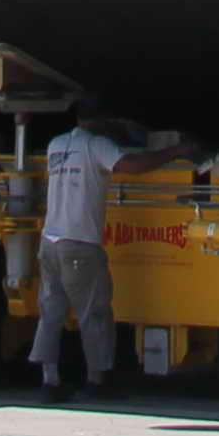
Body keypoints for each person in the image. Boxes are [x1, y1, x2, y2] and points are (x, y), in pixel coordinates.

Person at [32, 114, 155, 400]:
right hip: (80, 243)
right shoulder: (97, 145)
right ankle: (96, 381)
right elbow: (133, 166)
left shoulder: (55, 145)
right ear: (100, 121)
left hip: (49, 242)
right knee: (93, 314)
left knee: (50, 313)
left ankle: (50, 382)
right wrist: (174, 152)